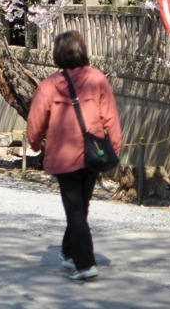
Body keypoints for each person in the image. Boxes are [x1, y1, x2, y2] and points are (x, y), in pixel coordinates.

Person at [27, 30, 122, 282]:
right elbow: (110, 115)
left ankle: (85, 263)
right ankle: (70, 252)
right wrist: (114, 146)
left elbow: (36, 120)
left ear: (58, 54)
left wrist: (34, 143)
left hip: (64, 154)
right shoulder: (98, 77)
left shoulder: (49, 85)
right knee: (81, 206)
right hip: (93, 152)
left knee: (76, 209)